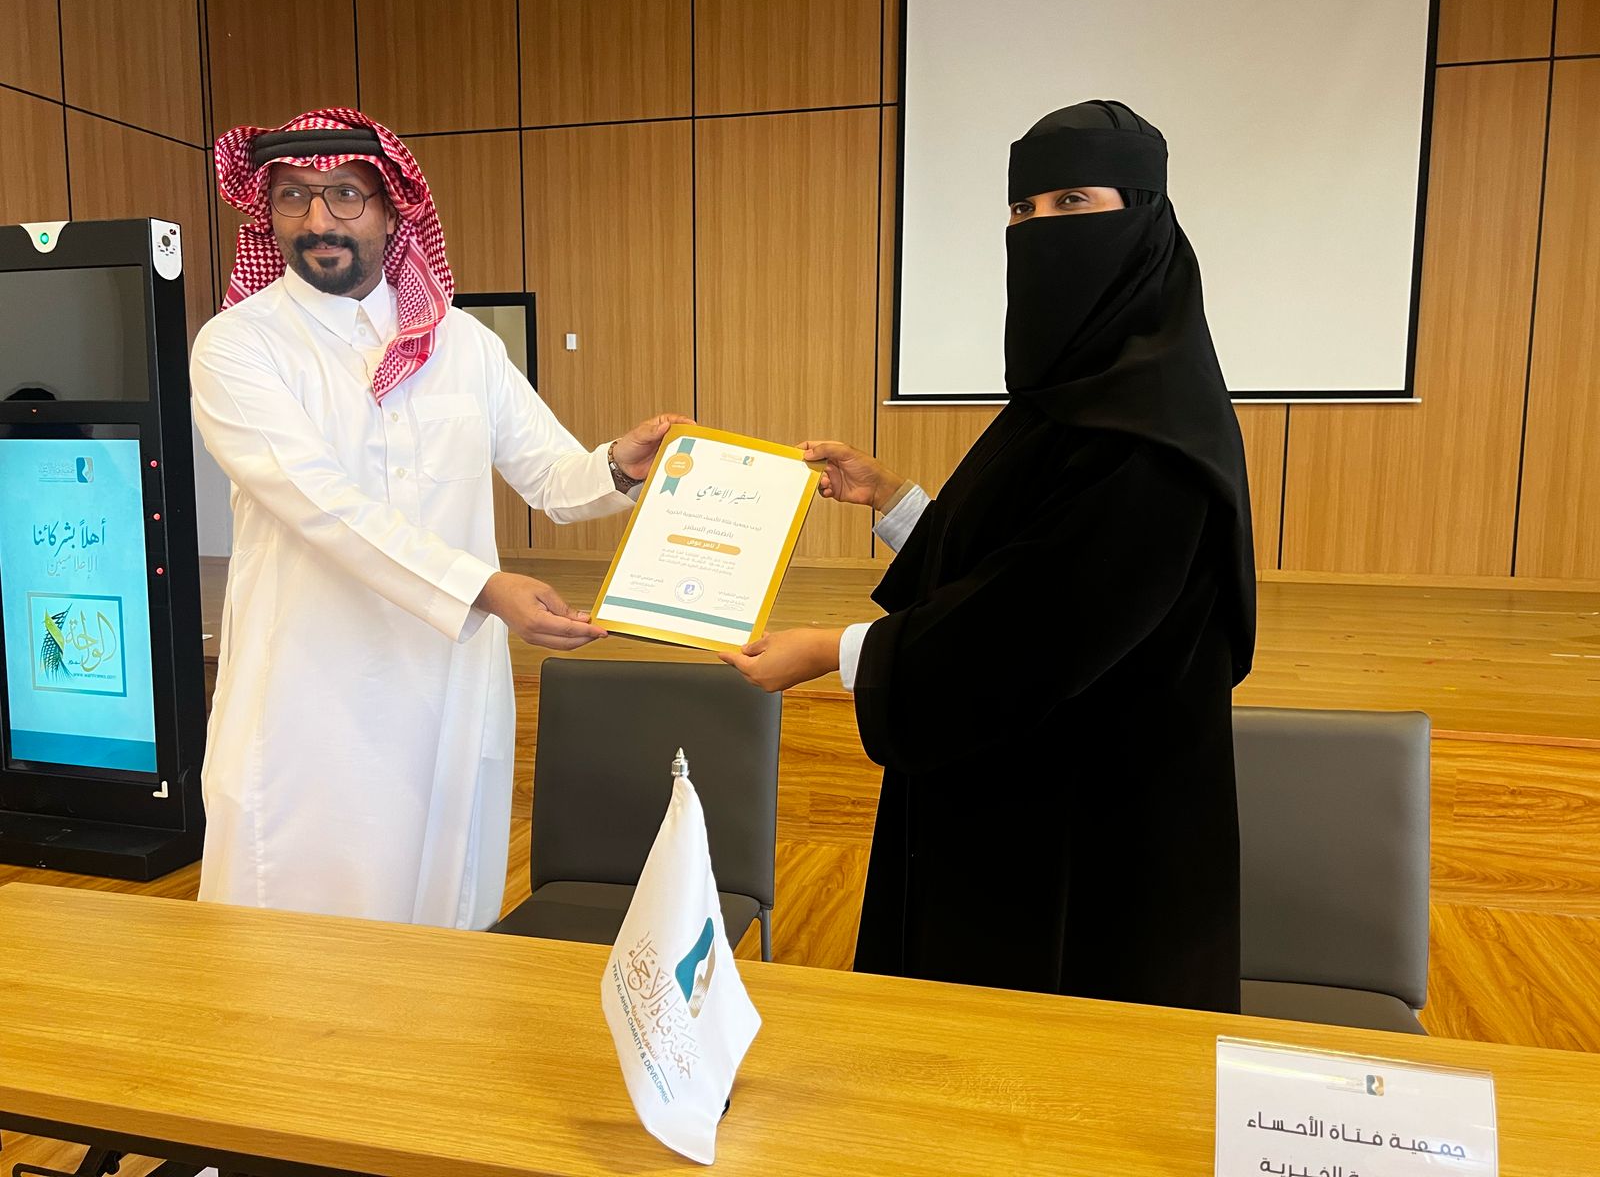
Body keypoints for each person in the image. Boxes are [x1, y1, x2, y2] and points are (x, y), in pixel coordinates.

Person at [721, 101, 1256, 1013]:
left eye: (1072, 202)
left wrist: (832, 651)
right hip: (1020, 795)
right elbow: (1021, 559)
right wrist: (894, 500)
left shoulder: (1151, 433)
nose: (1040, 229)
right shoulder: (1074, 396)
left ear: (1143, 219)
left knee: (1042, 1072)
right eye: (1023, 209)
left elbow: (1031, 630)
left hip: (1087, 837)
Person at [190, 108, 688, 931]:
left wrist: (619, 464)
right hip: (312, 688)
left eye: (345, 195)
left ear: (393, 209)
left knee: (441, 918)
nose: (318, 220)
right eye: (293, 197)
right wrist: (484, 588)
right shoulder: (238, 345)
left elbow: (550, 475)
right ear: (266, 213)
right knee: (299, 933)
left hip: (448, 680)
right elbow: (321, 503)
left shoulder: (463, 343)